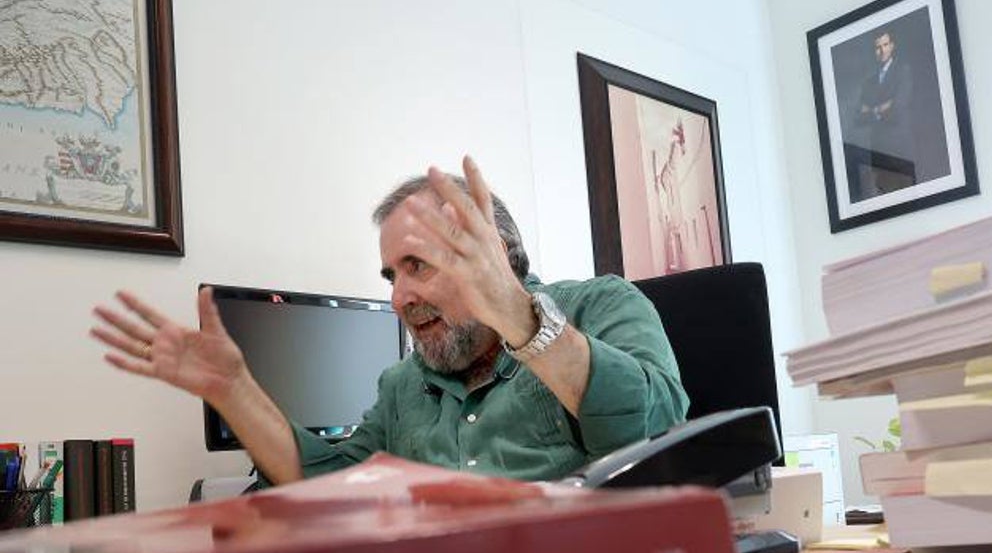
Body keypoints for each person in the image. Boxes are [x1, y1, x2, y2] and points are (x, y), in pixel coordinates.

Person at [91, 156, 689, 485]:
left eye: (417, 266)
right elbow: (322, 484)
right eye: (390, 276)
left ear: (495, 256)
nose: (400, 297)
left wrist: (514, 313)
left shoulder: (602, 305)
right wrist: (234, 391)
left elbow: (662, 429)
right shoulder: (402, 387)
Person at [855, 28, 915, 196]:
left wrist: (871, 111)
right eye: (877, 47)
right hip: (879, 152)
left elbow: (898, 108)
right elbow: (858, 118)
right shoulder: (869, 82)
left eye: (885, 45)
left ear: (892, 46)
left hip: (900, 150)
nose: (882, 50)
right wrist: (881, 108)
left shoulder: (903, 71)